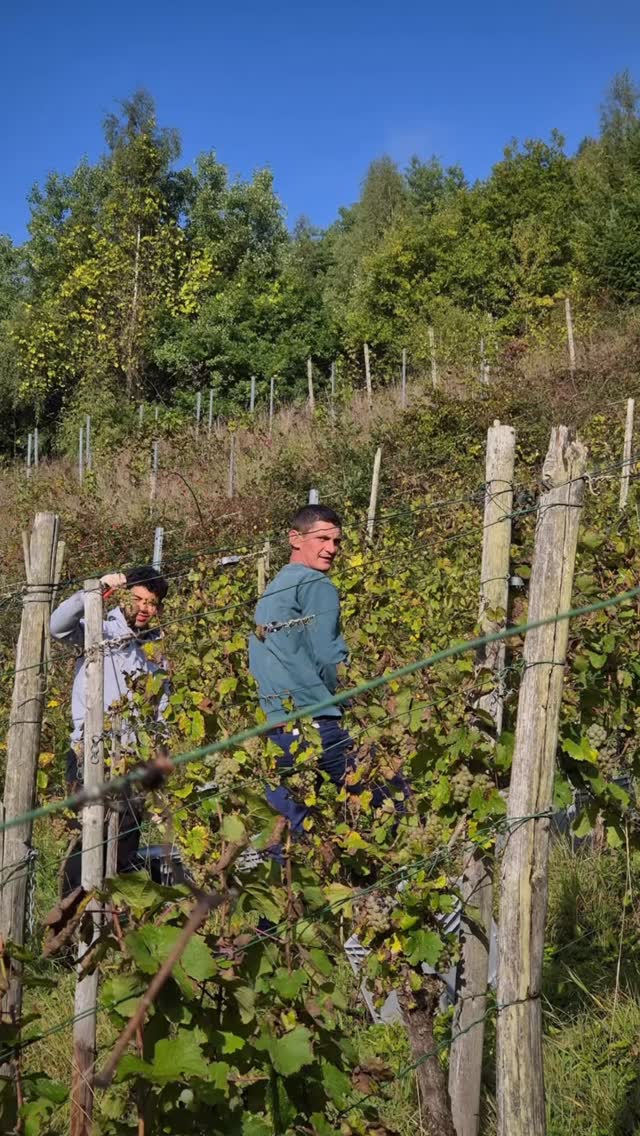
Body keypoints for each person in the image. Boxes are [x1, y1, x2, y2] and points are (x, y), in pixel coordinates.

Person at [249, 505, 405, 832]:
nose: (331, 549)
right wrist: (349, 698)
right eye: (322, 538)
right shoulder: (316, 585)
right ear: (295, 538)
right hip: (317, 724)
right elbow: (328, 654)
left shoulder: (273, 589)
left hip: (276, 729)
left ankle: (289, 883)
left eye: (336, 542)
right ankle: (406, 873)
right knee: (392, 798)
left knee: (286, 835)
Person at [50, 566, 170, 892]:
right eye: (139, 599)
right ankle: (72, 922)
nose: (145, 608)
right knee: (90, 838)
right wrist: (96, 589)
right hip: (90, 753)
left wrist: (158, 756)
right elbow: (58, 626)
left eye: (152, 603)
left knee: (124, 845)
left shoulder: (155, 651)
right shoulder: (97, 631)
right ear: (122, 596)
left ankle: (112, 923)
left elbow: (161, 709)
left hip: (134, 760)